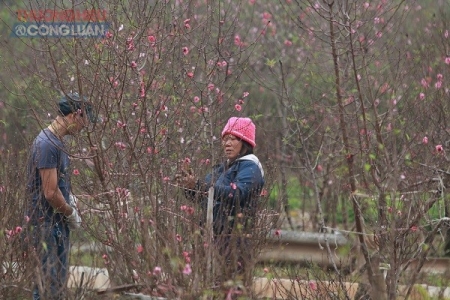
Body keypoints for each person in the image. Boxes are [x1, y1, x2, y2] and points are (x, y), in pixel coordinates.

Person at [177, 117, 265, 281]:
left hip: (236, 241)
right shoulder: (222, 168)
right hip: (214, 239)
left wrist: (200, 186)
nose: (227, 143)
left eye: (233, 139)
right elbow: (202, 196)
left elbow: (238, 194)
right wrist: (188, 186)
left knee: (230, 289)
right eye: (225, 139)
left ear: (244, 142)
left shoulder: (250, 167)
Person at [25, 93, 95, 300]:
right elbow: (50, 192)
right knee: (48, 288)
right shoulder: (47, 144)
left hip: (56, 224)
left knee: (56, 288)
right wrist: (70, 212)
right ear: (74, 116)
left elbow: (58, 185)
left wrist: (70, 198)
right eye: (85, 120)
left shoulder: (58, 142)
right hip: (45, 225)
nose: (85, 126)